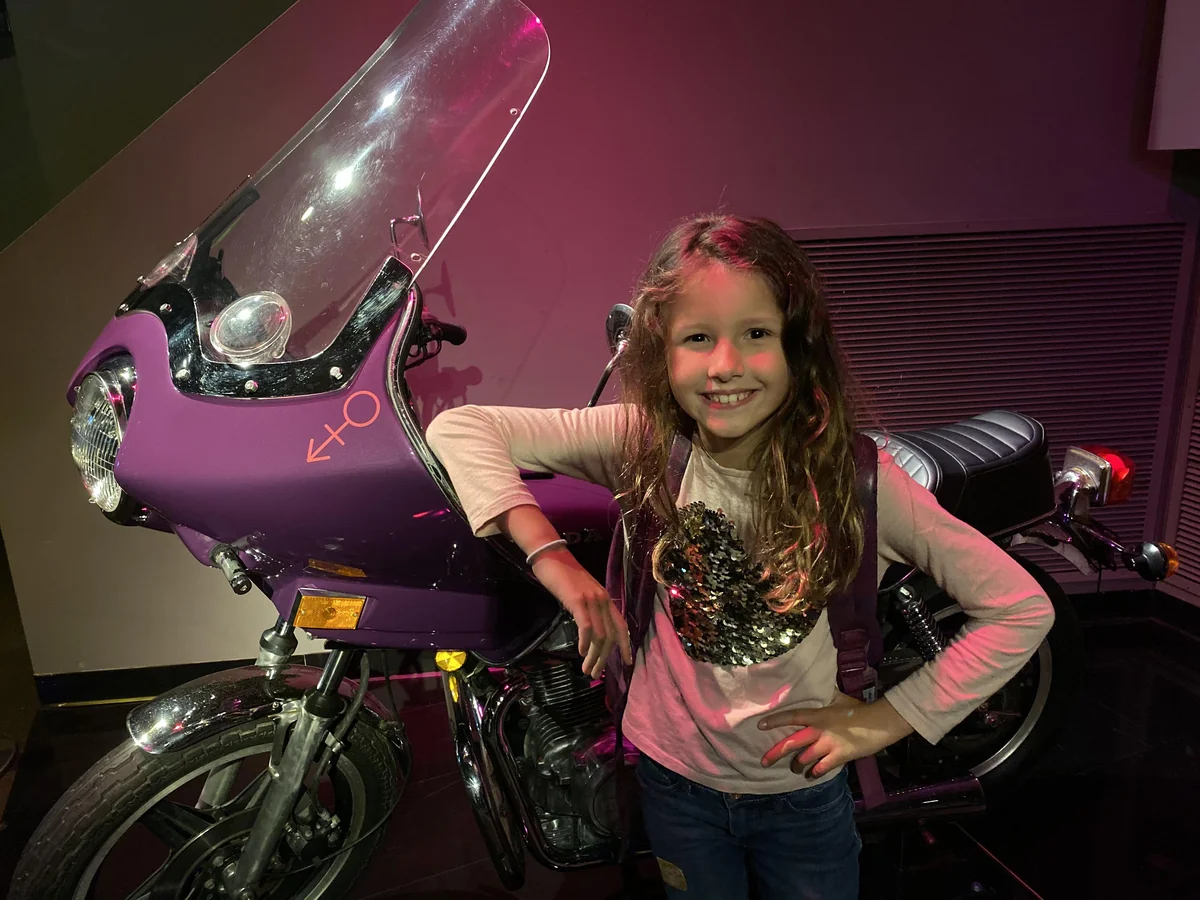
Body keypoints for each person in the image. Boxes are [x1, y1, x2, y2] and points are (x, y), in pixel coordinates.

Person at [425, 214, 1055, 900]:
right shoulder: (643, 442)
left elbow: (1020, 608)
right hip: (673, 780)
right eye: (698, 338)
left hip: (800, 790)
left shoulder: (856, 482)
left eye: (756, 334)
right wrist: (560, 567)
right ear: (663, 350)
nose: (724, 366)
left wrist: (888, 719)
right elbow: (461, 427)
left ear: (797, 346)